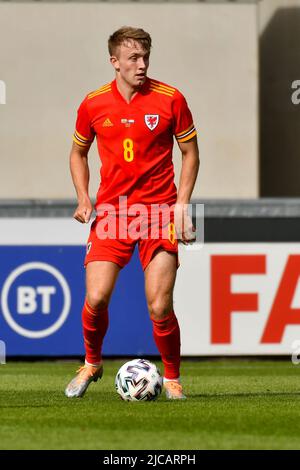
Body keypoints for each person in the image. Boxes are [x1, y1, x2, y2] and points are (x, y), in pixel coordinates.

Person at [65, 26, 199, 400]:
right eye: (133, 58)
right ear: (115, 63)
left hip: (159, 212)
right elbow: (77, 152)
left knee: (159, 304)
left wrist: (182, 206)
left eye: (145, 57)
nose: (141, 65)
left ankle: (171, 379)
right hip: (113, 213)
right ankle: (92, 362)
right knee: (96, 298)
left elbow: (191, 153)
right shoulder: (93, 103)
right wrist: (83, 197)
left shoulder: (170, 98)